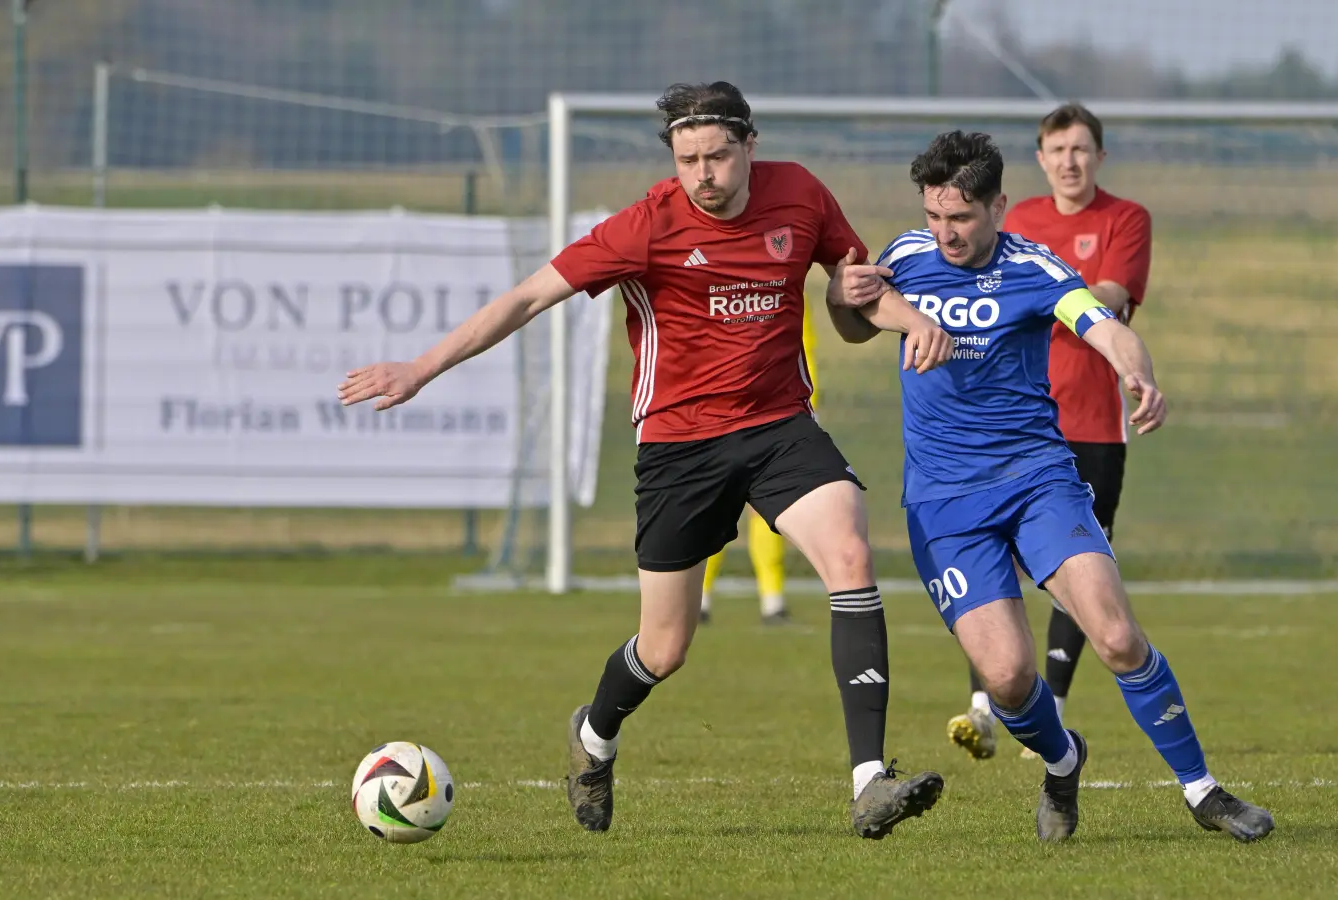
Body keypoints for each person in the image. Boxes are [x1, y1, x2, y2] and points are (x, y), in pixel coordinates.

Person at [337, 82, 951, 839]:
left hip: (778, 425)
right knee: (665, 645)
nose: (704, 174)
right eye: (688, 158)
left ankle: (868, 782)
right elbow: (528, 298)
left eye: (718, 156)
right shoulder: (645, 225)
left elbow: (853, 296)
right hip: (679, 445)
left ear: (749, 146)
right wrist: (420, 369)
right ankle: (594, 737)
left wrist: (904, 313)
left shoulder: (801, 194)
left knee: (852, 550)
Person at [830, 130, 1274, 843]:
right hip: (945, 505)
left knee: (1117, 635)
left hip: (1038, 481)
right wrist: (850, 298)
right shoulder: (907, 256)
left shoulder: (1036, 270)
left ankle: (1203, 791)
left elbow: (1105, 328)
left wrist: (1140, 373)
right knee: (1006, 680)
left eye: (963, 218)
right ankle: (1064, 761)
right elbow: (852, 314)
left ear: (998, 205)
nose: (946, 233)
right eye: (936, 215)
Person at [947, 102, 1154, 762]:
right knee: (994, 554)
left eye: (1081, 149)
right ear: (1040, 159)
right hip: (1008, 425)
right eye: (1058, 149)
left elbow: (1111, 300)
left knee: (1077, 565)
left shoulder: (1126, 219)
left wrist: (1039, 302)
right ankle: (985, 707)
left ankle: (1054, 710)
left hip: (1091, 423)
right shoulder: (1019, 222)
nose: (1070, 160)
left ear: (1099, 156)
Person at [698, 312, 822, 626]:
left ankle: (772, 601)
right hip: (721, 410)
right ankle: (698, 598)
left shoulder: (785, 278)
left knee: (767, 509)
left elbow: (801, 346)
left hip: (778, 411)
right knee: (716, 506)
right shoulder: (718, 282)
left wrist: (807, 405)